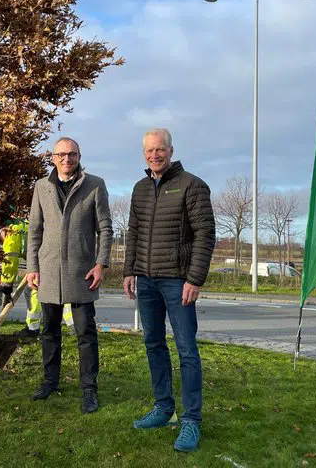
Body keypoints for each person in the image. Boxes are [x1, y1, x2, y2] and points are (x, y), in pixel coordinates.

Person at [123, 128, 215, 453]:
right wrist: (129, 270)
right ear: (144, 154)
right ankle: (163, 408)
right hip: (146, 281)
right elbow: (133, 232)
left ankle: (191, 420)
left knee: (187, 350)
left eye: (159, 149)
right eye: (149, 151)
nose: (154, 155)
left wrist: (195, 278)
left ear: (171, 150)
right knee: (153, 344)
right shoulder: (139, 189)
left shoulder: (192, 185)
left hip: (178, 281)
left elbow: (205, 234)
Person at [26, 136, 113, 413]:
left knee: (86, 333)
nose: (67, 159)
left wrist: (101, 264)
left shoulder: (94, 185)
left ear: (79, 156)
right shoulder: (41, 187)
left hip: (81, 272)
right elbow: (34, 231)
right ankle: (50, 381)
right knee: (49, 331)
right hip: (48, 271)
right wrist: (32, 267)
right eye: (61, 154)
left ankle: (89, 389)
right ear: (53, 158)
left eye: (72, 154)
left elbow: (106, 229)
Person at [0, 220, 74, 337]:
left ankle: (32, 329)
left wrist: (6, 286)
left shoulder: (11, 233)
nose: (2, 242)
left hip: (45, 259)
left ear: (2, 231)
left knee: (32, 288)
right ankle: (75, 326)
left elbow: (10, 261)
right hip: (56, 254)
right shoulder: (25, 226)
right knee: (63, 287)